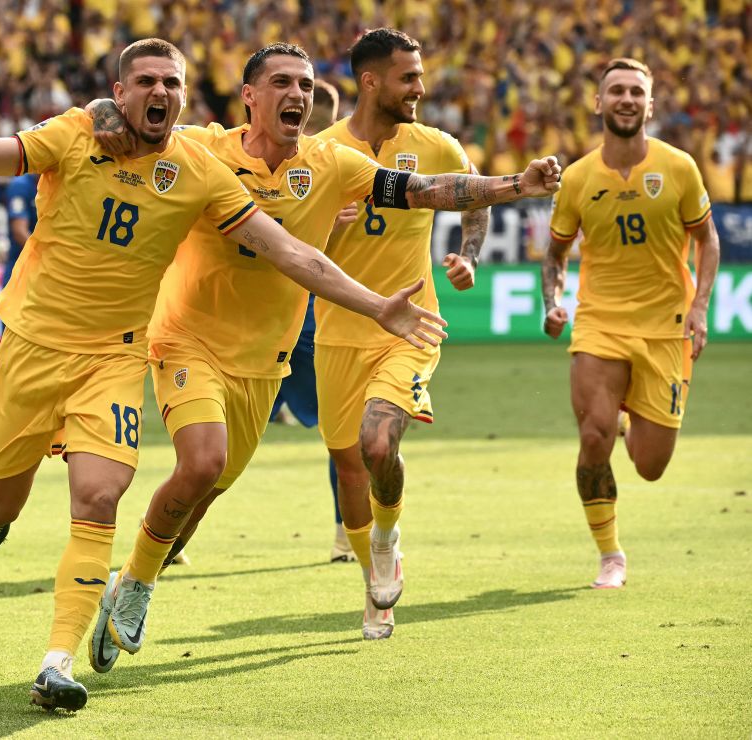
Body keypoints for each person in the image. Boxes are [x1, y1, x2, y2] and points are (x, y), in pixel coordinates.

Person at [0, 38, 450, 713]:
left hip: (118, 354)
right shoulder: (74, 135)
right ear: (119, 90)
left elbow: (286, 249)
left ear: (185, 96)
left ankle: (57, 661)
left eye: (172, 82)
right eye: (145, 81)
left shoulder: (198, 168)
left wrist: (377, 307)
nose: (160, 92)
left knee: (101, 495)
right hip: (33, 344)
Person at [83, 41, 555, 669]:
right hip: (185, 337)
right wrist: (107, 112)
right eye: (281, 83)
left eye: (305, 86)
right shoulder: (204, 148)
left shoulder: (329, 162)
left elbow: (423, 190)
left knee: (208, 487)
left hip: (264, 361)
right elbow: (117, 114)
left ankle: (129, 580)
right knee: (202, 462)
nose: (297, 95)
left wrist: (513, 184)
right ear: (249, 96)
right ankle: (138, 586)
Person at [312, 28, 491, 640]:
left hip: (412, 324)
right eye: (408, 77)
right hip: (337, 332)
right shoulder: (321, 152)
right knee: (350, 468)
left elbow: (475, 196)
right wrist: (324, 229)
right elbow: (286, 245)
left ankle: (387, 543)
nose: (421, 87)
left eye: (420, 75)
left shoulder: (434, 144)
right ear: (371, 82)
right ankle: (373, 580)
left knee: (379, 444)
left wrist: (470, 251)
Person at [542, 58, 718, 590]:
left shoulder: (680, 168)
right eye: (615, 90)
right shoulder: (577, 178)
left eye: (635, 92)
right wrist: (552, 300)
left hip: (666, 327)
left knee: (649, 464)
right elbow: (555, 254)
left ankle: (625, 420)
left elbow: (708, 240)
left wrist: (701, 305)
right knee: (593, 437)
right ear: (598, 103)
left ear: (650, 104)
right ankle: (610, 554)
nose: (625, 99)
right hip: (599, 323)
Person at [263, 78, 356, 563]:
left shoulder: (329, 162)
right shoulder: (333, 163)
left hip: (271, 317)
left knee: (211, 441)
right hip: (303, 321)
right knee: (341, 432)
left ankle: (165, 533)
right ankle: (346, 534)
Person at [0, 173, 38, 439]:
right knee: (8, 347)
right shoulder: (21, 185)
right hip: (21, 278)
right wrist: (55, 258)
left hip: (55, 281)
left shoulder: (66, 178)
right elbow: (18, 231)